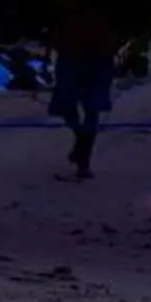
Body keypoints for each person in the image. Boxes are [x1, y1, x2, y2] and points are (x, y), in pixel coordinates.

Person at [47, 13, 114, 180]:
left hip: (90, 51)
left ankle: (82, 151)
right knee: (81, 106)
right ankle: (82, 146)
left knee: (86, 106)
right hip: (83, 50)